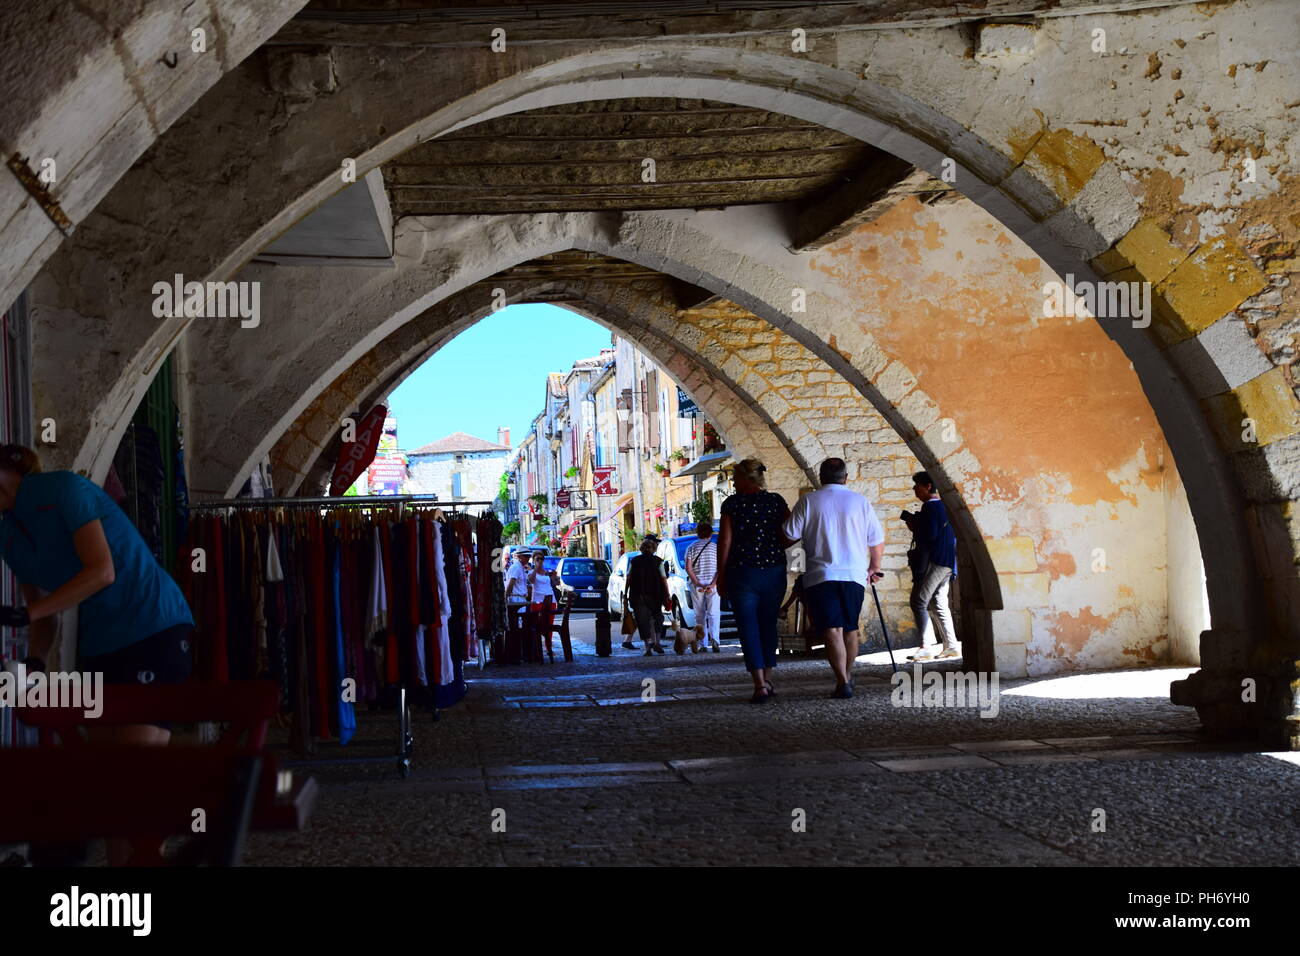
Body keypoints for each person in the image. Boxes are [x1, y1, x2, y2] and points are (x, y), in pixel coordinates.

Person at [0, 445, 195, 864]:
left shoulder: (64, 490)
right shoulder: (7, 532)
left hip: (153, 628)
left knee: (133, 779)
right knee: (111, 786)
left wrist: (25, 613)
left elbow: (100, 571)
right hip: (102, 642)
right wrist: (33, 666)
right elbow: (43, 614)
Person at [783, 457, 884, 699]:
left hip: (821, 575)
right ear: (845, 478)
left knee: (831, 629)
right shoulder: (860, 502)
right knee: (850, 629)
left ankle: (842, 679)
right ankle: (846, 677)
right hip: (854, 575)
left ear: (821, 477)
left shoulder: (809, 501)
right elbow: (876, 539)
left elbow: (788, 535)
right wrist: (875, 566)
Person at [716, 458, 789, 703]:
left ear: (746, 478)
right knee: (768, 624)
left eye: (735, 477)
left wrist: (721, 575)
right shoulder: (776, 501)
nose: (733, 482)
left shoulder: (732, 504)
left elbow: (725, 542)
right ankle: (768, 678)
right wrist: (776, 546)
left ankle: (759, 684)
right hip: (773, 572)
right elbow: (790, 533)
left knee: (748, 628)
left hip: (742, 572)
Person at [901, 471, 960, 660]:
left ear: (928, 486)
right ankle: (950, 646)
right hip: (949, 562)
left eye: (917, 485)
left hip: (936, 561)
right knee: (938, 602)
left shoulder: (930, 507)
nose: (914, 489)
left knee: (918, 601)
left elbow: (929, 536)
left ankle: (926, 646)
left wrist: (914, 526)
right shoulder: (946, 506)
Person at [626, 535, 670, 656]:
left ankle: (647, 648)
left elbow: (628, 578)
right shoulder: (658, 561)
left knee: (642, 621)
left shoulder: (634, 561)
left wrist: (625, 592)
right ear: (653, 548)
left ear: (641, 549)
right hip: (655, 594)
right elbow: (663, 579)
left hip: (638, 594)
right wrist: (667, 594)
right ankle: (657, 642)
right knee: (658, 618)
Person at [684, 521, 721, 653]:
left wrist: (697, 582)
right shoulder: (715, 548)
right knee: (714, 613)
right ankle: (715, 641)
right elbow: (720, 568)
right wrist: (713, 583)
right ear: (710, 533)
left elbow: (688, 567)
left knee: (699, 614)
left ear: (698, 533)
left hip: (697, 585)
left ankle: (702, 643)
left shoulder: (691, 547)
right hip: (712, 584)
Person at [528, 554, 561, 658]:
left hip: (550, 600)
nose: (540, 561)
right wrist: (536, 568)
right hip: (538, 601)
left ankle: (548, 647)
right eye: (537, 559)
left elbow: (556, 583)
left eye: (541, 559)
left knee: (549, 625)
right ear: (533, 560)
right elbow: (531, 580)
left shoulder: (547, 572)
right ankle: (537, 649)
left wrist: (555, 577)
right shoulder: (531, 572)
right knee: (537, 625)